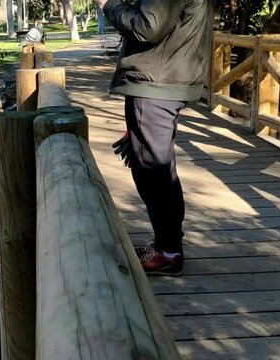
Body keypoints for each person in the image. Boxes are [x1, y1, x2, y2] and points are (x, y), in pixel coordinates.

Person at [96, 0, 213, 276]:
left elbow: (148, 27)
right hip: (161, 80)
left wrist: (108, 4)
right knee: (158, 169)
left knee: (154, 172)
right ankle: (166, 245)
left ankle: (169, 252)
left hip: (156, 84)